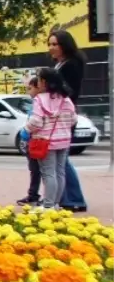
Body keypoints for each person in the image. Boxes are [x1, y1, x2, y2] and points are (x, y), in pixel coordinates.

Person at [48, 29, 88, 212]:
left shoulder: (71, 64)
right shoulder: (60, 64)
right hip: (56, 116)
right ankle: (62, 197)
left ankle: (73, 198)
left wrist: (52, 81)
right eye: (49, 44)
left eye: (55, 44)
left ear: (65, 45)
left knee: (61, 160)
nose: (51, 48)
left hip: (63, 117)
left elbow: (70, 91)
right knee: (58, 160)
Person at [25, 67, 76, 210]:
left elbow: (36, 121)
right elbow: (73, 119)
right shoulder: (65, 99)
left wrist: (26, 129)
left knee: (48, 173)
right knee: (60, 172)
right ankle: (55, 204)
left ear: (44, 82)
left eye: (39, 79)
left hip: (45, 141)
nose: (38, 82)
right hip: (64, 140)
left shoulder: (40, 99)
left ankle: (47, 205)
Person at [17, 75, 44, 206]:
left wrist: (25, 133)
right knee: (36, 170)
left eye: (30, 88)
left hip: (37, 140)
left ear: (38, 87)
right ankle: (34, 195)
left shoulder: (39, 102)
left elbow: (35, 121)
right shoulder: (36, 102)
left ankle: (35, 196)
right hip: (35, 140)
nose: (29, 92)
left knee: (39, 170)